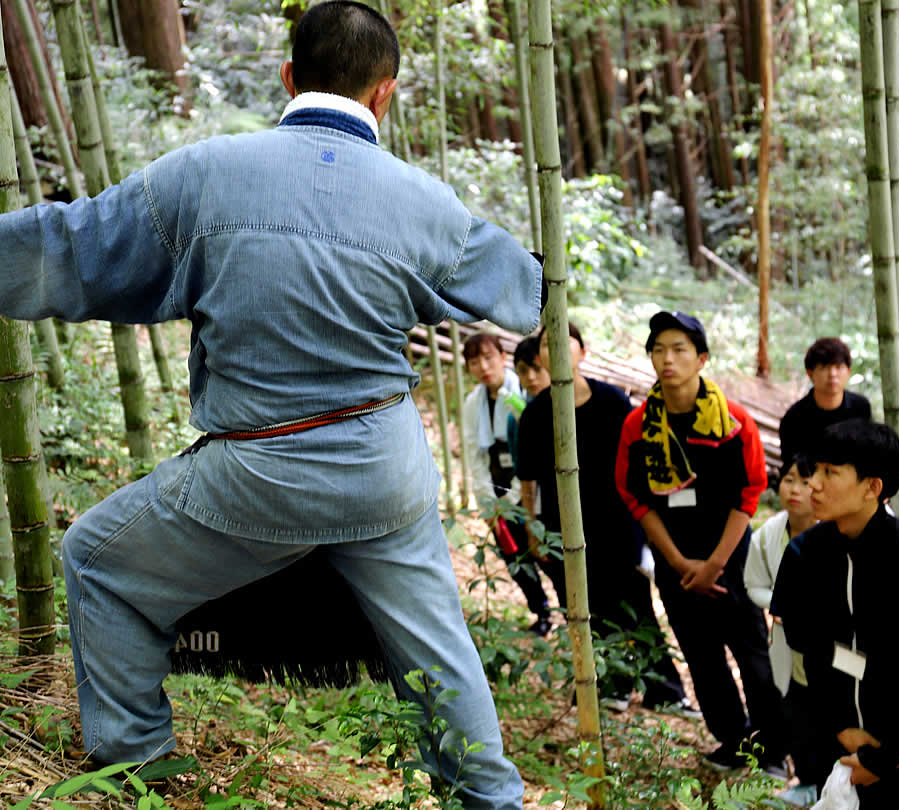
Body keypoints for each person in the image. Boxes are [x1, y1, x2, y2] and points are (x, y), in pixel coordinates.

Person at [0, 4, 539, 807]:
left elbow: (74, 248)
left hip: (257, 472)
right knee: (439, 655)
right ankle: (489, 798)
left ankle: (141, 773)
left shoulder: (205, 172)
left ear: (288, 78)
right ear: (384, 95)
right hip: (385, 469)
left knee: (99, 565)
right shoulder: (427, 203)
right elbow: (525, 296)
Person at [614, 311, 784, 770]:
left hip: (730, 555)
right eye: (658, 350)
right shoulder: (638, 426)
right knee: (701, 656)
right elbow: (634, 495)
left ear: (701, 358)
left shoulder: (732, 421)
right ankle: (731, 739)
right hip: (674, 558)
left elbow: (749, 494)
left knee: (752, 653)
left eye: (679, 349)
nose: (667, 359)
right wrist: (678, 562)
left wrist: (713, 564)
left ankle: (769, 750)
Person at [770, 420, 899, 807]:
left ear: (873, 487)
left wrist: (888, 755)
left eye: (830, 473)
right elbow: (808, 648)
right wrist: (842, 728)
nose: (813, 485)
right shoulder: (805, 555)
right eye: (815, 471)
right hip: (834, 738)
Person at [516, 323, 688, 712]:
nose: (556, 349)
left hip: (617, 520)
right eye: (546, 345)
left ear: (582, 351)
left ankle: (665, 690)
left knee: (634, 604)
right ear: (539, 357)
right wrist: (532, 528)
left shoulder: (612, 401)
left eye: (565, 342)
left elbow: (639, 464)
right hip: (562, 526)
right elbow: (527, 480)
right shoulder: (536, 414)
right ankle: (605, 685)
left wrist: (646, 521)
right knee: (582, 607)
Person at [462, 333, 551, 636]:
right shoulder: (473, 403)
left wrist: (515, 497)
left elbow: (528, 449)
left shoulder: (521, 390)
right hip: (495, 486)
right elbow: (475, 453)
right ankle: (541, 611)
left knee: (544, 550)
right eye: (474, 362)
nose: (484, 367)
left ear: (502, 356)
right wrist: (487, 501)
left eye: (489, 357)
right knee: (513, 557)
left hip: (527, 484)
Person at [743, 455, 818, 803]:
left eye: (805, 481)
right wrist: (779, 604)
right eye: (789, 480)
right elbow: (753, 582)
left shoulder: (837, 528)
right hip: (787, 639)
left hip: (830, 643)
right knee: (795, 706)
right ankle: (806, 780)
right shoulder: (770, 531)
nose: (796, 490)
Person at [778, 337, 871, 464]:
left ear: (848, 372)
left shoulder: (861, 407)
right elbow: (790, 465)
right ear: (810, 373)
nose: (833, 374)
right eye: (824, 367)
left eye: (838, 367)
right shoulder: (794, 418)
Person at [506, 335, 550, 472]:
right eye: (523, 371)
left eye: (537, 368)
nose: (530, 377)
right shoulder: (516, 418)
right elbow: (519, 464)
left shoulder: (574, 407)